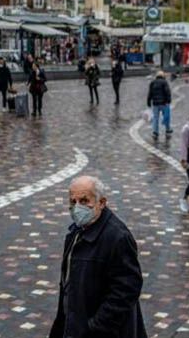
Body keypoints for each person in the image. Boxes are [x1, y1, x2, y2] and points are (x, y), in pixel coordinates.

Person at [48, 176, 147, 338]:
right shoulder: (77, 232)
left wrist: (95, 327)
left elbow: (126, 290)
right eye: (73, 202)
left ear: (101, 202)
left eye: (84, 201)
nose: (77, 207)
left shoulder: (117, 237)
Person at [147, 71, 172, 139]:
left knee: (155, 118)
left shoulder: (152, 83)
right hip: (164, 103)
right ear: (163, 76)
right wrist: (168, 101)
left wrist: (148, 102)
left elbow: (150, 93)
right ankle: (167, 131)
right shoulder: (164, 82)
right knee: (166, 117)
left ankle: (155, 132)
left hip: (155, 103)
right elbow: (168, 92)